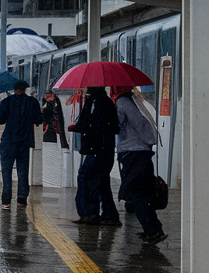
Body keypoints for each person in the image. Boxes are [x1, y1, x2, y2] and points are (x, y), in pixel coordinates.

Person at [114, 86, 166, 242]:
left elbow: (118, 124)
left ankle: (152, 231)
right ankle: (156, 229)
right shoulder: (136, 101)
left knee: (137, 194)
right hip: (141, 151)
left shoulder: (123, 102)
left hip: (132, 152)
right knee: (142, 193)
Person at [68, 86, 121, 225]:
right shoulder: (99, 102)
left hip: (98, 149)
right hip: (101, 149)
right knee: (102, 180)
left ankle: (90, 213)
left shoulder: (99, 103)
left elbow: (96, 125)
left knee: (87, 177)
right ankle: (110, 214)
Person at [0, 80, 43, 209]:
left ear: (14, 89)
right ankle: (21, 199)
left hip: (9, 142)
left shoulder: (6, 102)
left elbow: (0, 120)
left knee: (6, 172)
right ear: (25, 89)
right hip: (24, 142)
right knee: (23, 171)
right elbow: (38, 119)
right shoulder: (32, 102)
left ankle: (6, 201)